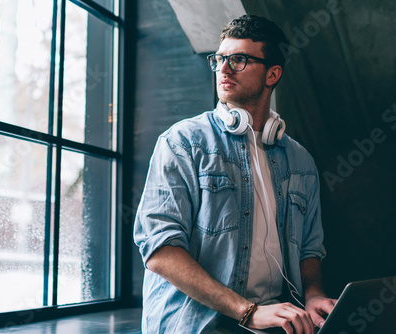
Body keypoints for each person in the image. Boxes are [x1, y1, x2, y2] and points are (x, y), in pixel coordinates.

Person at [134, 14, 336, 334]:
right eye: (220, 59)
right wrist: (248, 311)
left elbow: (309, 250)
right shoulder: (182, 143)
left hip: (277, 321)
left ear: (273, 74)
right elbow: (160, 251)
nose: (224, 69)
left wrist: (313, 296)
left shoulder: (300, 160)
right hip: (198, 325)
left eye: (239, 59)